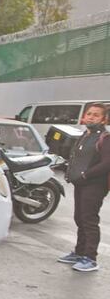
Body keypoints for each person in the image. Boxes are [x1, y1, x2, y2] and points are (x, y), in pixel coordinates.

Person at [59, 102, 110, 272]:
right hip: (81, 184)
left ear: (104, 119)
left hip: (94, 185)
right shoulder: (85, 135)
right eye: (89, 114)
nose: (91, 117)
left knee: (89, 220)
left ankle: (90, 258)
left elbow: (106, 164)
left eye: (96, 115)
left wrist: (85, 175)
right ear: (84, 116)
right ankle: (79, 252)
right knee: (79, 218)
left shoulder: (105, 138)